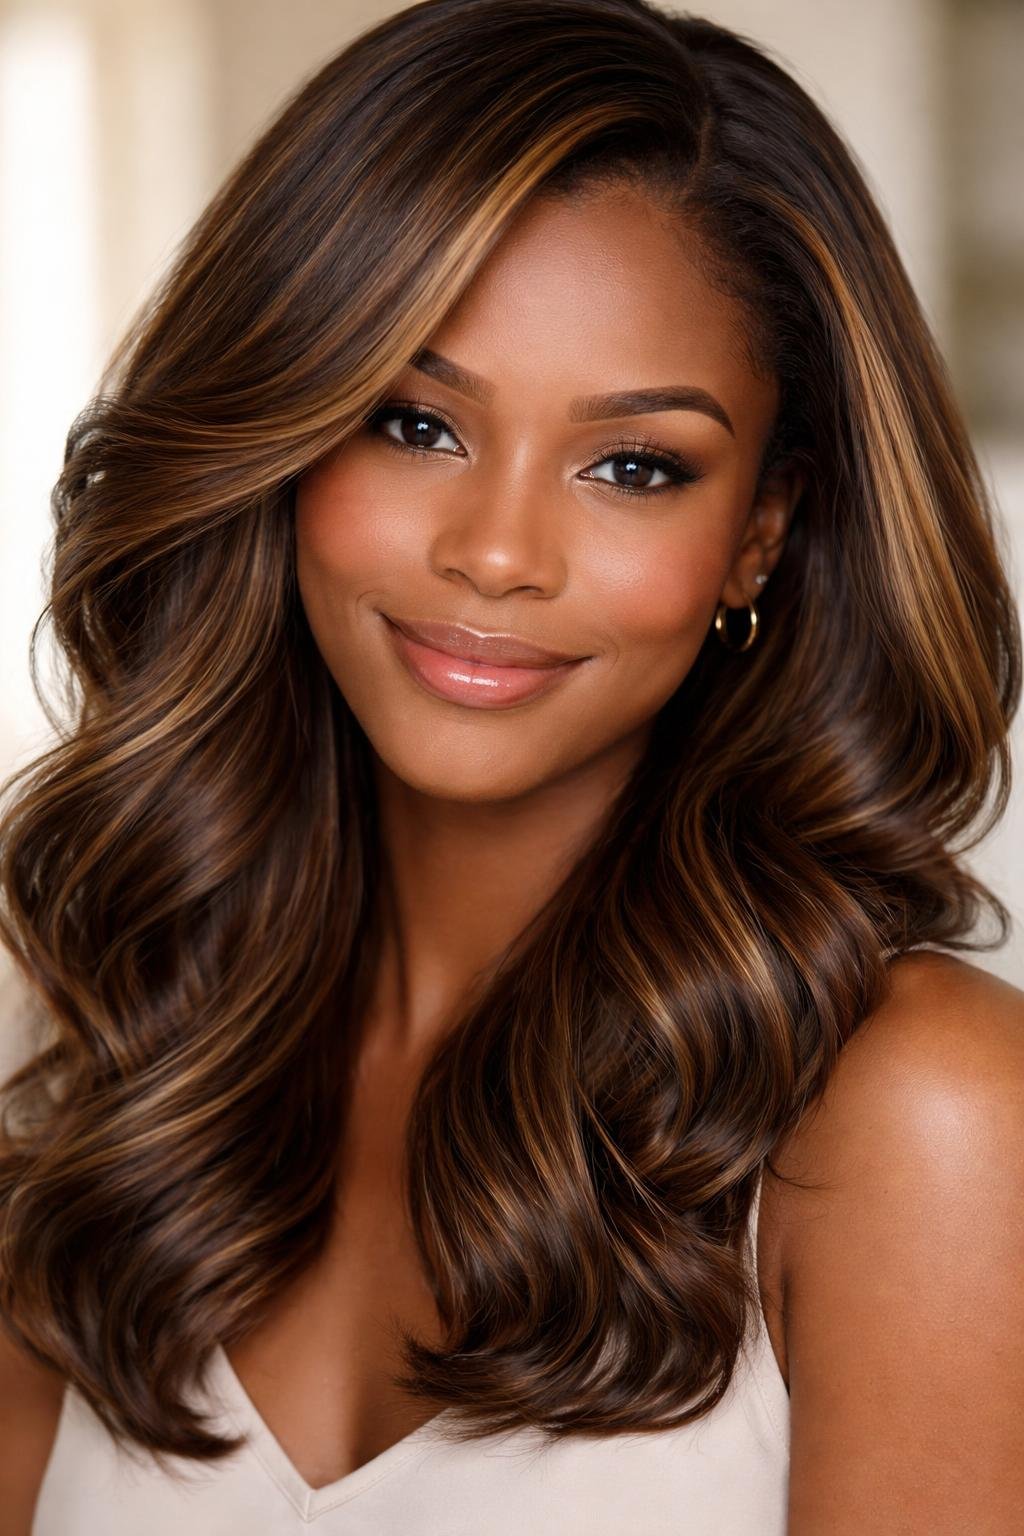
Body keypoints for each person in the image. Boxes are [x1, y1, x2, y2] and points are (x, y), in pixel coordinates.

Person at [1, 0, 1022, 1530]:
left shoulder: (927, 1118)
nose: (495, 552)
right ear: (281, 436)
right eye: (414, 423)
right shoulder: (111, 1030)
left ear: (762, 528)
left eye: (632, 466)